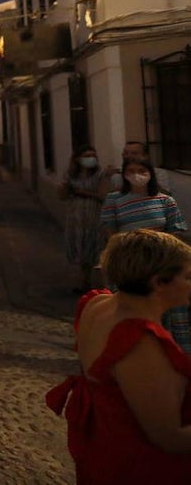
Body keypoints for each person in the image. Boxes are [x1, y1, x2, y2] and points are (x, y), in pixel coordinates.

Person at [45, 230, 191, 483]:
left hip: (103, 446)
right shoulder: (140, 341)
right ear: (159, 282)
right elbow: (169, 437)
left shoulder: (97, 303)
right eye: (188, 277)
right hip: (139, 465)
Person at [101, 158, 189, 352]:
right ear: (124, 175)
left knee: (170, 311)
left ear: (150, 173)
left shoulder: (165, 200)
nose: (137, 175)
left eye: (141, 170)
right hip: (132, 266)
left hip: (162, 264)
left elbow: (176, 232)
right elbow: (111, 234)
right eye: (131, 171)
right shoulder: (115, 200)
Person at [63, 146, 111, 294]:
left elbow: (103, 195)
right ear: (78, 158)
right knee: (81, 248)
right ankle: (84, 282)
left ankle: (102, 286)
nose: (91, 158)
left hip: (93, 215)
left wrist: (81, 192)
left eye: (93, 155)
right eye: (87, 155)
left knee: (95, 247)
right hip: (76, 217)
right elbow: (63, 195)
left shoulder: (100, 174)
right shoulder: (71, 175)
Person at [109, 141, 173, 194]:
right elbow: (102, 199)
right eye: (125, 153)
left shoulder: (159, 173)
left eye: (134, 153)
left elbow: (167, 196)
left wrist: (148, 179)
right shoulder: (116, 175)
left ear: (145, 156)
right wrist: (106, 175)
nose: (128, 156)